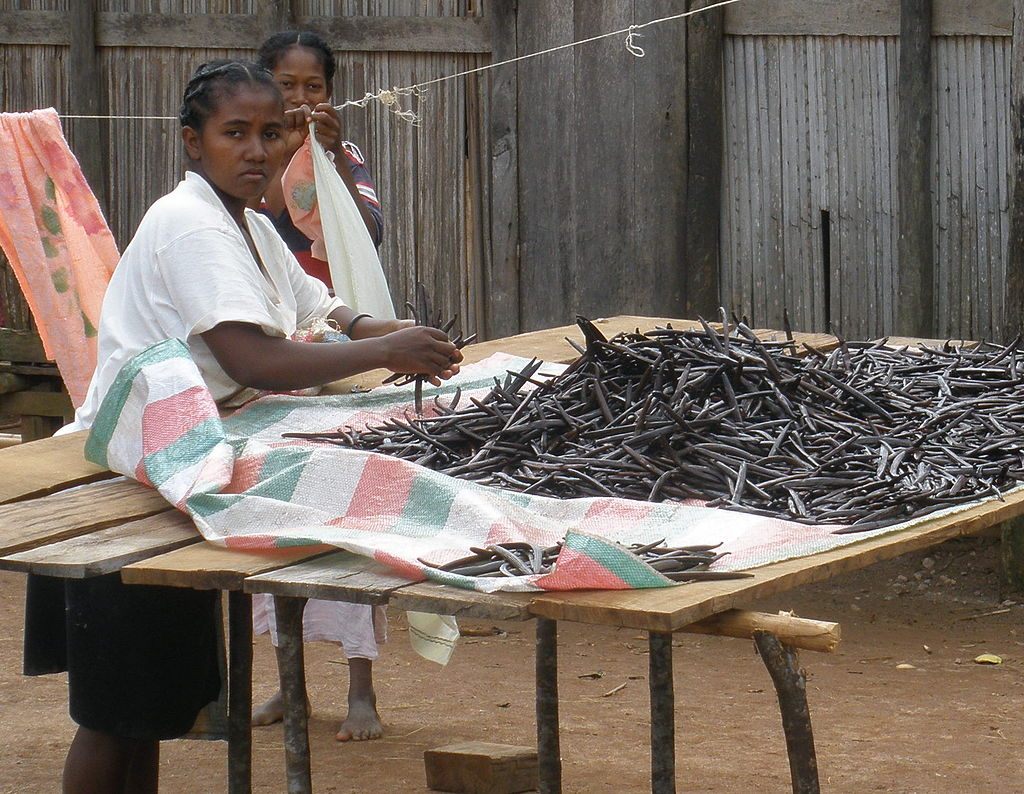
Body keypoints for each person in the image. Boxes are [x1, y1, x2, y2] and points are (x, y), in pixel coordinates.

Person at [56, 59, 461, 793]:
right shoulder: (189, 226)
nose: (256, 150)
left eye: (271, 134)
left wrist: (380, 326)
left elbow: (314, 303)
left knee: (147, 709)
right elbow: (254, 357)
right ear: (192, 142)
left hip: (178, 469)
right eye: (234, 133)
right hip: (126, 474)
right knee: (114, 709)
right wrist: (386, 350)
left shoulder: (249, 224)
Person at [247, 29, 393, 743]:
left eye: (314, 87)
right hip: (277, 353)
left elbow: (366, 230)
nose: (301, 99)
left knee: (351, 516)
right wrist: (284, 152)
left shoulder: (347, 157)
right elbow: (265, 223)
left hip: (341, 351)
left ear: (332, 95)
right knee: (280, 520)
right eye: (287, 86)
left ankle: (360, 688)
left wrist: (331, 156)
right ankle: (289, 682)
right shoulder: (251, 161)